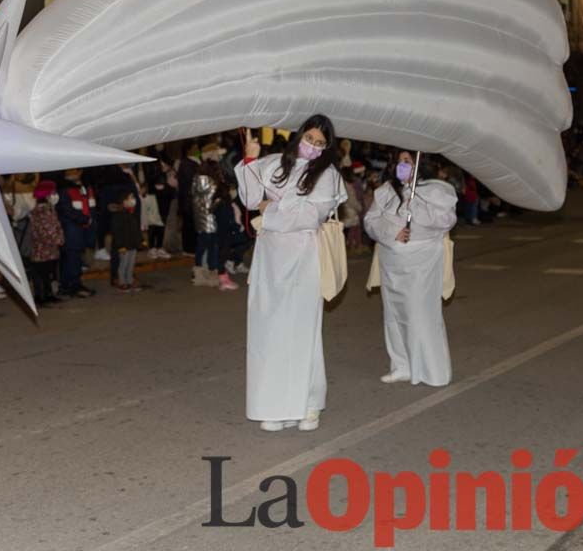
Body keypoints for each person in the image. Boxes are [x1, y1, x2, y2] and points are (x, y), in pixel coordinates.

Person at [235, 116, 346, 433]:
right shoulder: (273, 164)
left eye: (320, 143)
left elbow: (310, 216)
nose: (313, 146)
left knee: (302, 330)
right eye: (309, 138)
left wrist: (271, 209)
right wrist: (251, 158)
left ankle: (308, 404)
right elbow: (250, 198)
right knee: (269, 331)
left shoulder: (326, 175)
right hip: (270, 258)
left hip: (303, 259)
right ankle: (275, 404)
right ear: (299, 136)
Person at [364, 151, 458, 387]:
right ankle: (402, 365)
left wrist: (416, 211)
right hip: (391, 260)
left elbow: (445, 221)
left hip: (422, 262)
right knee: (394, 315)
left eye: (407, 161)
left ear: (419, 164)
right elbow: (371, 221)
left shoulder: (436, 190)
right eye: (399, 161)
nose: (402, 166)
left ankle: (432, 370)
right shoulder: (385, 191)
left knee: (419, 313)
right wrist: (391, 232)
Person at [192, 158, 238, 290]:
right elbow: (215, 200)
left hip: (206, 219)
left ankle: (206, 273)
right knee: (206, 246)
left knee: (208, 246)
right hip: (209, 219)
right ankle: (204, 273)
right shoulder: (209, 183)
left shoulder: (200, 182)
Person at [56, 168, 97, 298]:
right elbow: (66, 210)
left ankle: (70, 285)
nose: (76, 172)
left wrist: (90, 221)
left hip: (82, 229)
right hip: (71, 229)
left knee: (75, 258)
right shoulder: (63, 188)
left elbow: (92, 206)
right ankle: (72, 286)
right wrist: (85, 219)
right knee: (71, 258)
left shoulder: (84, 186)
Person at [26, 180, 64, 306]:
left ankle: (47, 295)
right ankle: (42, 298)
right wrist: (59, 240)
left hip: (42, 249)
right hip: (45, 250)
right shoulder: (44, 211)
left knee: (46, 273)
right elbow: (49, 230)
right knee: (44, 274)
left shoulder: (38, 210)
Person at [111, 177, 144, 292]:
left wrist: (140, 240)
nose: (133, 200)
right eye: (130, 198)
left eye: (133, 198)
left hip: (132, 243)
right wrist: (120, 246)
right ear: (123, 201)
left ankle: (129, 280)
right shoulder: (118, 215)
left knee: (131, 263)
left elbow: (135, 229)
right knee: (123, 264)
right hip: (124, 245)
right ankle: (122, 281)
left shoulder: (131, 213)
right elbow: (117, 232)